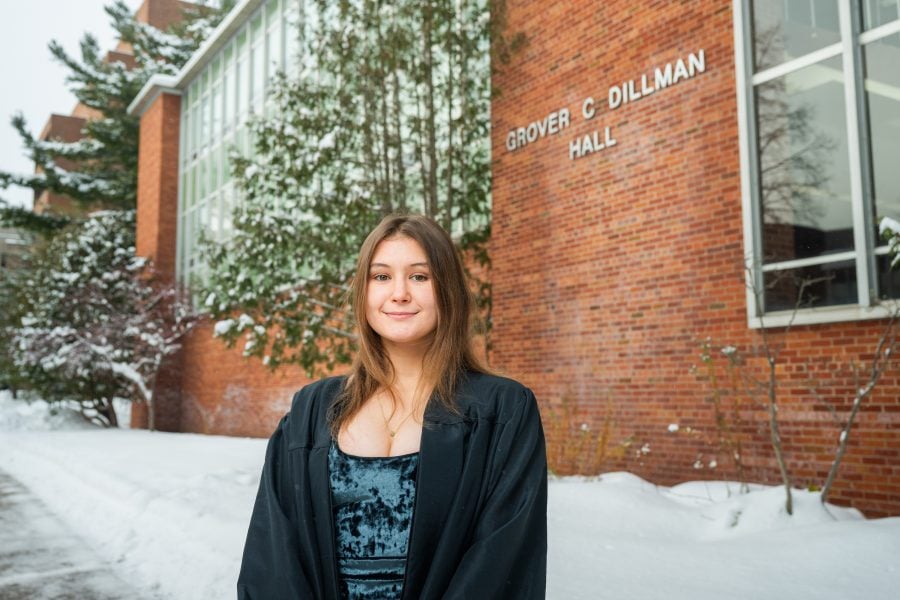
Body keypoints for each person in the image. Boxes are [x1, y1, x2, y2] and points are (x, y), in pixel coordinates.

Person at [237, 214, 547, 599]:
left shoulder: (501, 410)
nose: (399, 293)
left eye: (420, 276)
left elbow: (501, 558)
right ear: (362, 293)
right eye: (381, 277)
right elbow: (275, 555)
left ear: (447, 289)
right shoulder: (312, 411)